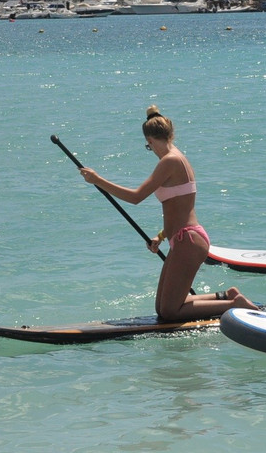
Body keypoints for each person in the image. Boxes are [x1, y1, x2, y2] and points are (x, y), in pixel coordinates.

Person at [79, 105, 255, 320]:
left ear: (150, 141)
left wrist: (98, 180)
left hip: (188, 241)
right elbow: (178, 206)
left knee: (171, 311)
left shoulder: (170, 160)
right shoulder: (178, 157)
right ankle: (226, 296)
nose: (150, 149)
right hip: (184, 239)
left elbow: (136, 197)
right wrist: (161, 236)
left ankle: (233, 305)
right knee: (163, 309)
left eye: (148, 145)